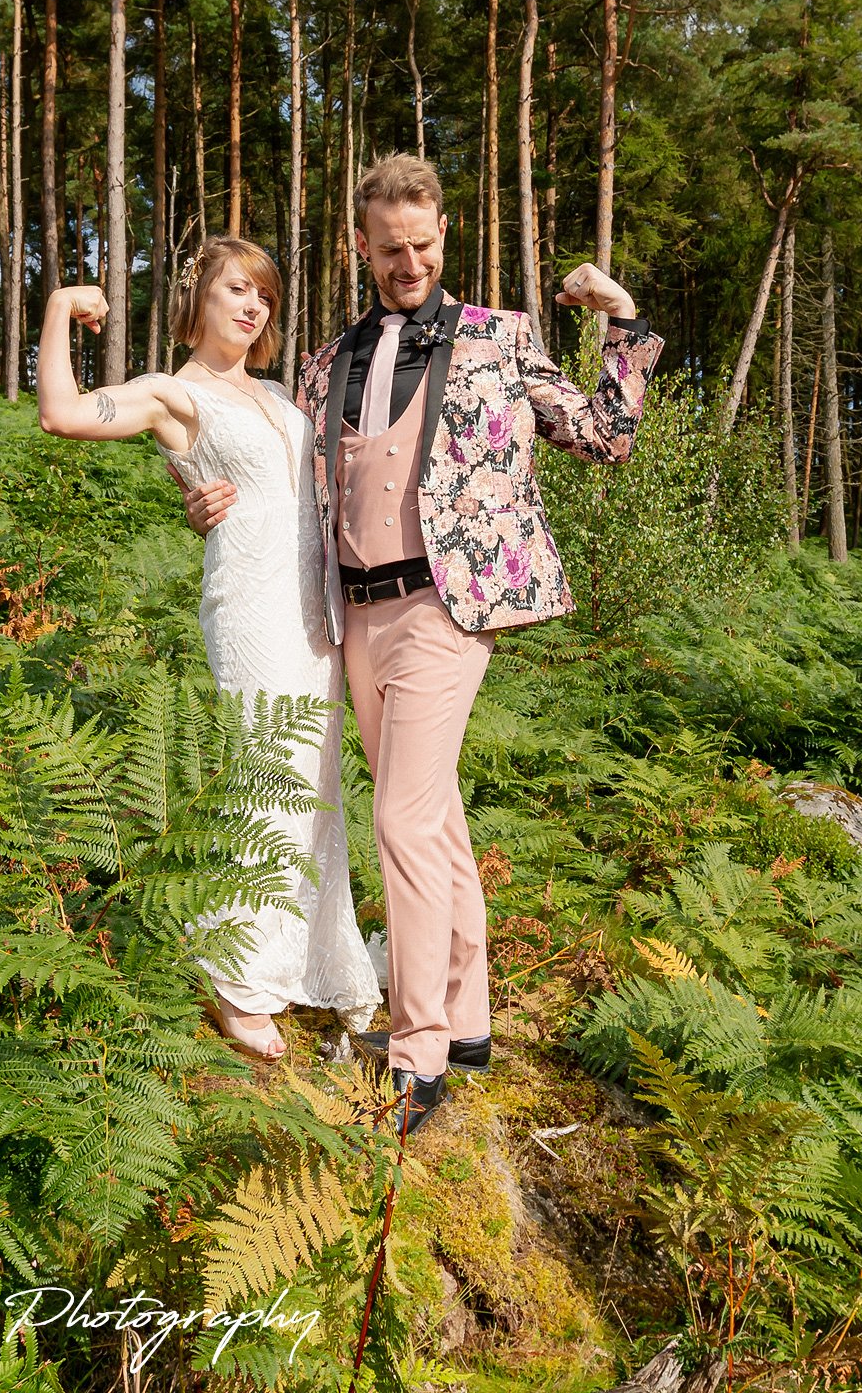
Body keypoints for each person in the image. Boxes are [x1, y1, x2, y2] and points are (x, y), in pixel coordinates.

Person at [178, 153, 661, 1132]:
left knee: (398, 813)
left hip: (451, 607)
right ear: (364, 246)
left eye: (425, 246)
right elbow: (270, 470)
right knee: (431, 812)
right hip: (352, 614)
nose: (409, 263)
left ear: (445, 237)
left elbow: (606, 435)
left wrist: (620, 318)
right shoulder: (325, 362)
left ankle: (421, 1054)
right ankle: (473, 1018)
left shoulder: (499, 339)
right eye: (391, 249)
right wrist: (201, 495)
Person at [35, 235, 383, 1061]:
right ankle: (236, 979)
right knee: (270, 777)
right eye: (236, 289)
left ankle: (294, 956)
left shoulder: (273, 391)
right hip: (253, 604)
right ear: (198, 298)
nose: (253, 306)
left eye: (263, 293)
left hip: (317, 611)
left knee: (315, 779)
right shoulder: (172, 392)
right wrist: (56, 309)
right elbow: (62, 413)